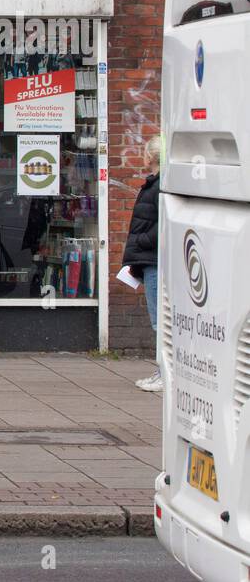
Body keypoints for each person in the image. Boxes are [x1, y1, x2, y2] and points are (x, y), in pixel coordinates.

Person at [123, 135, 162, 393]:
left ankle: (164, 374)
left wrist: (144, 241)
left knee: (159, 320)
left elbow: (165, 221)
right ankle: (162, 372)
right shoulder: (157, 184)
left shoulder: (159, 186)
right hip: (149, 258)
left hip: (154, 260)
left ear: (150, 157)